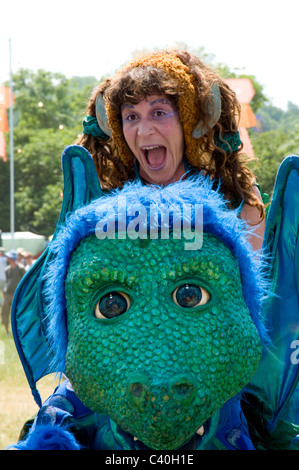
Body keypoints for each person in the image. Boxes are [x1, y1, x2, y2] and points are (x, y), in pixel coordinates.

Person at [75, 49, 266, 251]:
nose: (144, 130)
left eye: (158, 113)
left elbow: (251, 279)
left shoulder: (235, 200)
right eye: (131, 117)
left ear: (188, 120)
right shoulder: (101, 206)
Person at [1, 250, 26, 334]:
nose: (7, 258)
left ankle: (17, 331)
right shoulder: (7, 269)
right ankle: (7, 332)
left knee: (17, 313)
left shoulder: (21, 268)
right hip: (7, 293)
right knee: (5, 312)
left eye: (8, 256)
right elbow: (8, 280)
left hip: (17, 295)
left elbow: (25, 281)